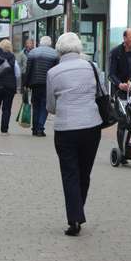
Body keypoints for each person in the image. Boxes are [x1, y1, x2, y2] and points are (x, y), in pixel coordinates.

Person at [46, 32, 104, 237]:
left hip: (65, 128)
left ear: (59, 50)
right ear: (79, 48)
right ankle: (78, 212)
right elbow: (101, 92)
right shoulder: (92, 67)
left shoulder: (53, 73)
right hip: (91, 126)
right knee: (84, 172)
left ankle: (74, 219)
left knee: (70, 173)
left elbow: (50, 106)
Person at [24, 36, 59, 137]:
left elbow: (28, 69)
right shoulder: (55, 54)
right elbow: (56, 71)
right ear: (50, 43)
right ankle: (40, 128)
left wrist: (26, 84)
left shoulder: (33, 53)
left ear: (40, 43)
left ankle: (34, 129)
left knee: (36, 106)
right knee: (44, 106)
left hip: (34, 84)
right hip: (48, 84)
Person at [108, 28, 131, 100]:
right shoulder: (115, 52)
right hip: (119, 91)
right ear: (125, 38)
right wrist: (120, 85)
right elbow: (111, 74)